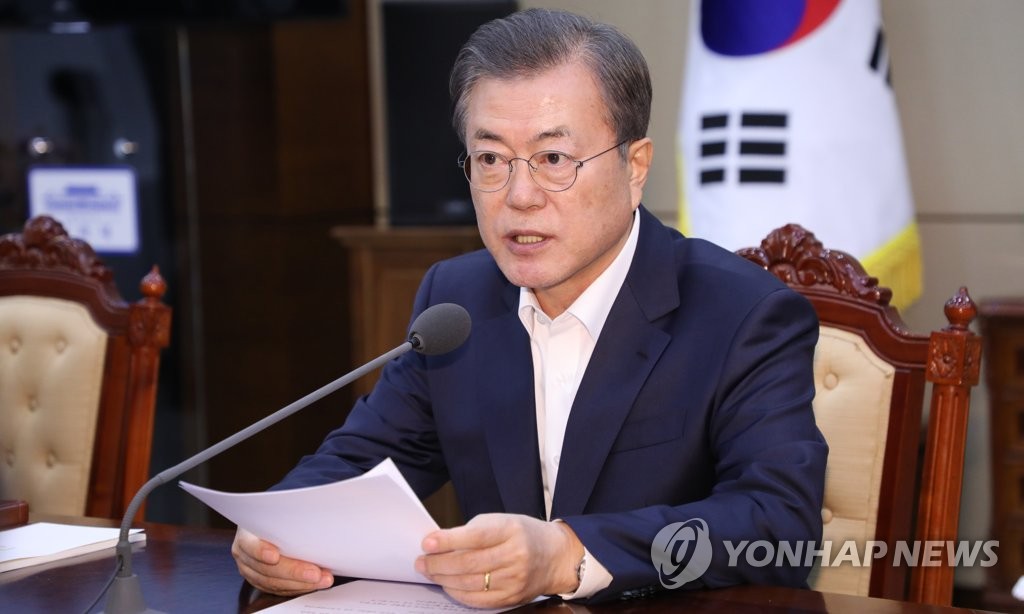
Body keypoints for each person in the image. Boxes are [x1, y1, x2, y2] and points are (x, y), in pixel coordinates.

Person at [232, 8, 827, 607]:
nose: (519, 197)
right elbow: (360, 463)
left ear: (636, 166)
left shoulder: (743, 314)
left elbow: (779, 526)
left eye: (553, 159)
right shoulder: (456, 303)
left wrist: (568, 554)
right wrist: (280, 528)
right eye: (491, 160)